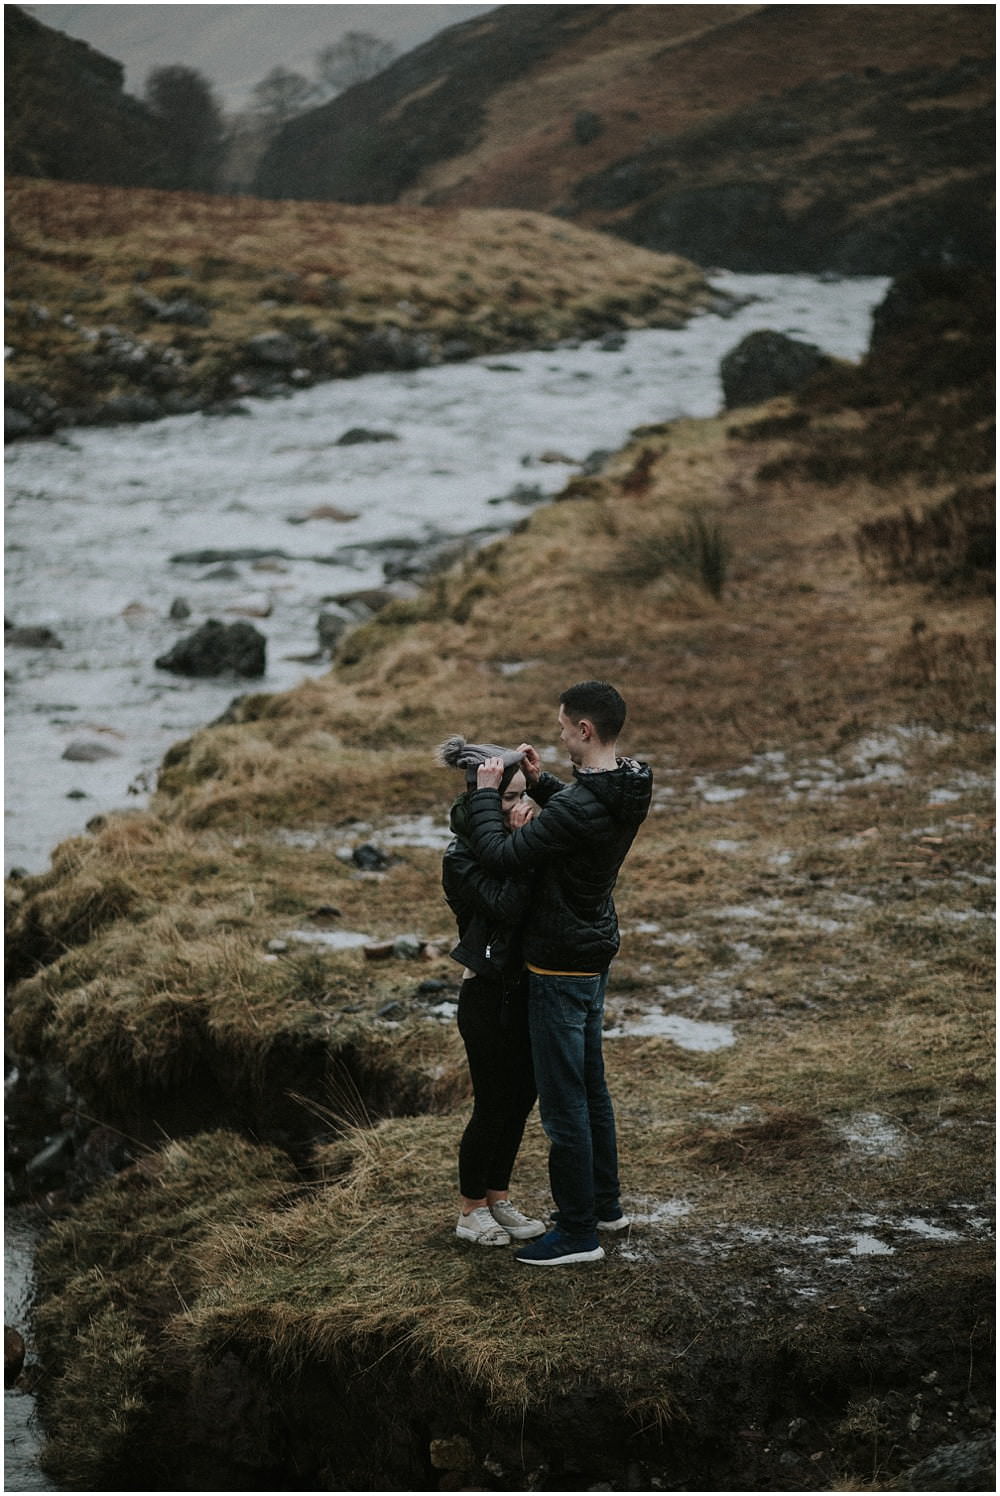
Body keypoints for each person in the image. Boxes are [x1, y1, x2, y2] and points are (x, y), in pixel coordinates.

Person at [466, 681, 652, 1267]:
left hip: (558, 963)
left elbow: (498, 857)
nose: (559, 733)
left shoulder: (577, 809)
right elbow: (580, 806)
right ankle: (604, 1207)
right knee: (592, 1087)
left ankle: (577, 1233)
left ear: (585, 730)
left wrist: (485, 794)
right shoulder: (631, 781)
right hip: (593, 952)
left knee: (564, 1103)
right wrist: (543, 780)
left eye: (564, 727)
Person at [438, 736, 547, 1248]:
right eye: (507, 797)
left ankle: (498, 1199)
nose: (520, 806)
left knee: (522, 1097)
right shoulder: (461, 857)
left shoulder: (521, 842)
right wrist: (525, 854)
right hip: (485, 995)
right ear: (481, 800)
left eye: (524, 794)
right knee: (492, 1102)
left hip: (528, 987)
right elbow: (504, 908)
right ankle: (470, 1209)